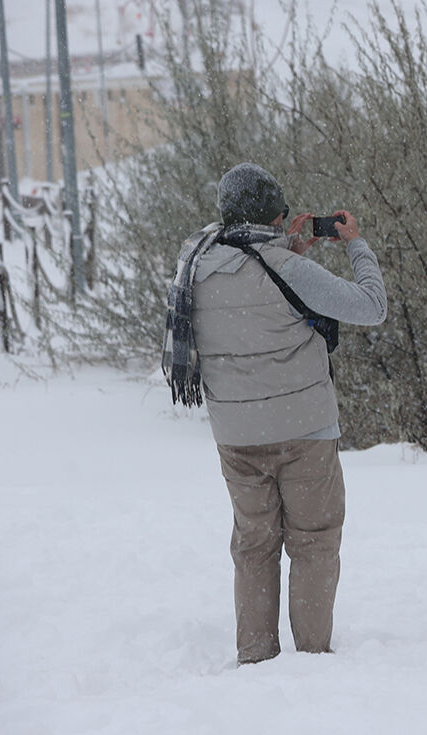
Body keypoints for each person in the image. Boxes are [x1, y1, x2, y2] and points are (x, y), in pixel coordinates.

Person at [162, 162, 387, 665]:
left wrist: (287, 250)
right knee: (313, 541)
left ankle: (256, 659)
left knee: (254, 546)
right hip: (304, 430)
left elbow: (248, 297)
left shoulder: (193, 269)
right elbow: (372, 305)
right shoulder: (289, 270)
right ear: (276, 216)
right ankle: (310, 658)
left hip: (237, 437)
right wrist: (356, 243)